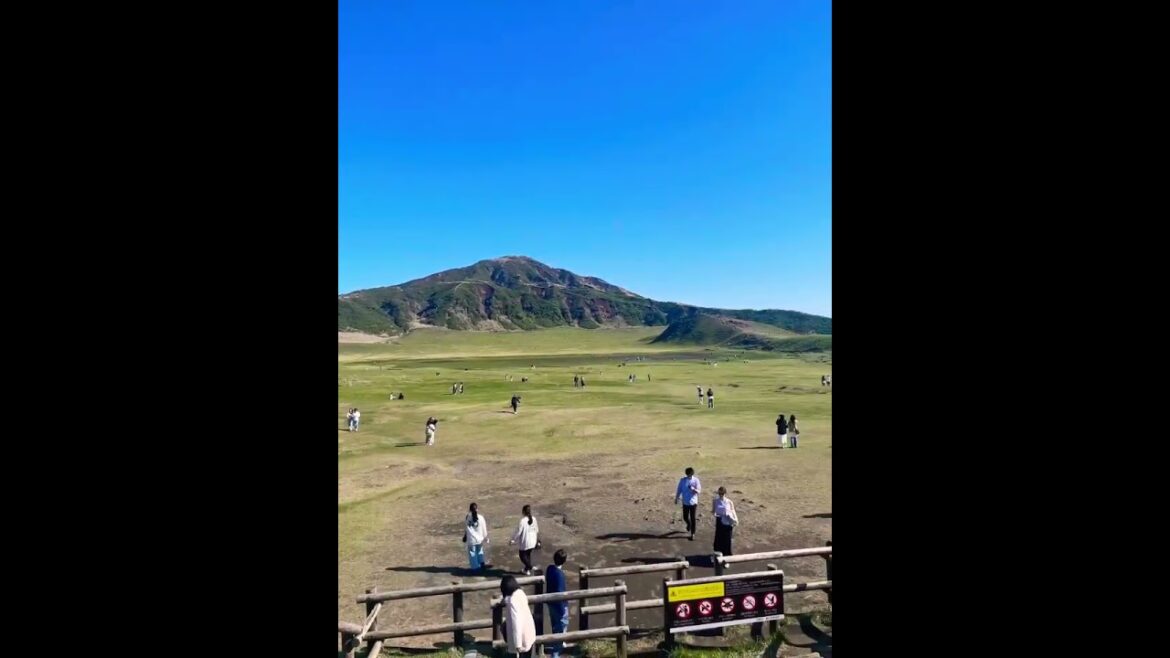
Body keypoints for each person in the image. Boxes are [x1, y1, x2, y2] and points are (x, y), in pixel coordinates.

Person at [501, 575, 536, 658]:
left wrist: (518, 644)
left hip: (522, 637)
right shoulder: (520, 593)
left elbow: (516, 623)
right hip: (529, 632)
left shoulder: (512, 601)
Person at [544, 550, 569, 658]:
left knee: (555, 625)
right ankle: (555, 653)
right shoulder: (560, 575)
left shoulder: (550, 569)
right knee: (562, 625)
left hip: (551, 602)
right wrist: (562, 609)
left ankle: (559, 642)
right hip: (559, 605)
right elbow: (559, 592)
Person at [509, 504, 540, 575]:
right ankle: (526, 570)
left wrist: (513, 540)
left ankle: (530, 567)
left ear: (523, 512)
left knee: (522, 556)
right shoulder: (534, 519)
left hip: (525, 542)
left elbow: (518, 532)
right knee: (528, 555)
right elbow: (537, 530)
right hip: (533, 541)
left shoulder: (523, 521)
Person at [674, 467, 701, 540]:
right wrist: (676, 498)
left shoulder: (696, 480)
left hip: (693, 502)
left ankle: (693, 534)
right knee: (685, 517)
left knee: (693, 518)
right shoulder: (682, 480)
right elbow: (679, 489)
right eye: (688, 474)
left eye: (690, 475)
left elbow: (698, 491)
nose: (689, 476)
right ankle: (688, 524)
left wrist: (693, 489)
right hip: (685, 502)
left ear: (692, 474)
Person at [712, 486, 738, 556]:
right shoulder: (715, 501)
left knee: (727, 538)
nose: (721, 495)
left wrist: (735, 520)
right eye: (719, 494)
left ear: (725, 493)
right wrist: (715, 514)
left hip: (728, 521)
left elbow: (733, 511)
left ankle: (727, 554)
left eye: (722, 494)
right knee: (719, 538)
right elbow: (713, 511)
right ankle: (719, 553)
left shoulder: (729, 502)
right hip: (719, 521)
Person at [463, 503, 490, 570]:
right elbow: (484, 528)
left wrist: (465, 536)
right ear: (477, 509)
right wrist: (486, 538)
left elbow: (467, 528)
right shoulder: (481, 518)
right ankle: (481, 563)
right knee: (480, 551)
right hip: (479, 539)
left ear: (469, 510)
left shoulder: (468, 517)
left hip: (471, 540)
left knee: (472, 554)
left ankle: (475, 568)